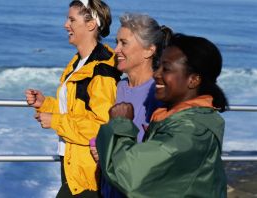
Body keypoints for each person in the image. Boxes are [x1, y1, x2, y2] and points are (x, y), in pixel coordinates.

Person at [96, 33, 229, 198]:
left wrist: (120, 124)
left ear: (193, 80)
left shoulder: (191, 131)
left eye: (166, 69)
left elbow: (130, 175)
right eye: (158, 66)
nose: (156, 74)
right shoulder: (179, 120)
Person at [25, 0, 121, 197]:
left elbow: (101, 125)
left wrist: (55, 121)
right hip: (71, 159)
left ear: (90, 24)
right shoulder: (78, 62)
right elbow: (74, 110)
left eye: (71, 19)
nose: (65, 24)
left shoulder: (102, 69)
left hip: (88, 170)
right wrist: (45, 104)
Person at [90, 13, 172, 198]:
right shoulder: (118, 87)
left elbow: (157, 156)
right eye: (116, 42)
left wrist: (107, 153)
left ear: (149, 50)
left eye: (123, 43)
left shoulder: (158, 93)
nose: (116, 49)